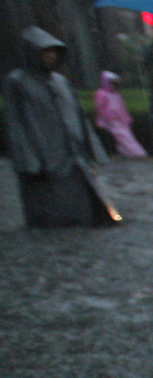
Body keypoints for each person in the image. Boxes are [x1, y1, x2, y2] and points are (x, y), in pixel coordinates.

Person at [3, 27, 120, 228]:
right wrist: (28, 158)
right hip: (44, 154)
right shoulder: (17, 82)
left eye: (53, 51)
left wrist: (93, 149)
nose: (50, 55)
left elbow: (79, 116)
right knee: (48, 210)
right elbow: (15, 123)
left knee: (81, 205)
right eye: (44, 51)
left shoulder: (62, 81)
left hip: (72, 154)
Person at [93, 71, 147, 158]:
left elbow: (122, 107)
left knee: (124, 137)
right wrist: (108, 118)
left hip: (121, 120)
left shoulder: (116, 94)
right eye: (113, 83)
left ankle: (126, 153)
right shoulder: (101, 93)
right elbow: (100, 108)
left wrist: (127, 118)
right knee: (124, 136)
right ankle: (138, 153)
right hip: (111, 121)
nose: (115, 85)